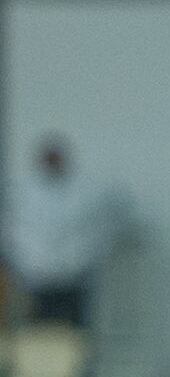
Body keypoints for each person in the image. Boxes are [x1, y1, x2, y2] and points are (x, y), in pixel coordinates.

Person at [6, 137, 129, 331]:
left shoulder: (88, 191)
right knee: (38, 332)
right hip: (34, 278)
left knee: (75, 330)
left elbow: (109, 223)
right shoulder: (21, 192)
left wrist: (93, 253)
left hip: (76, 277)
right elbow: (13, 230)